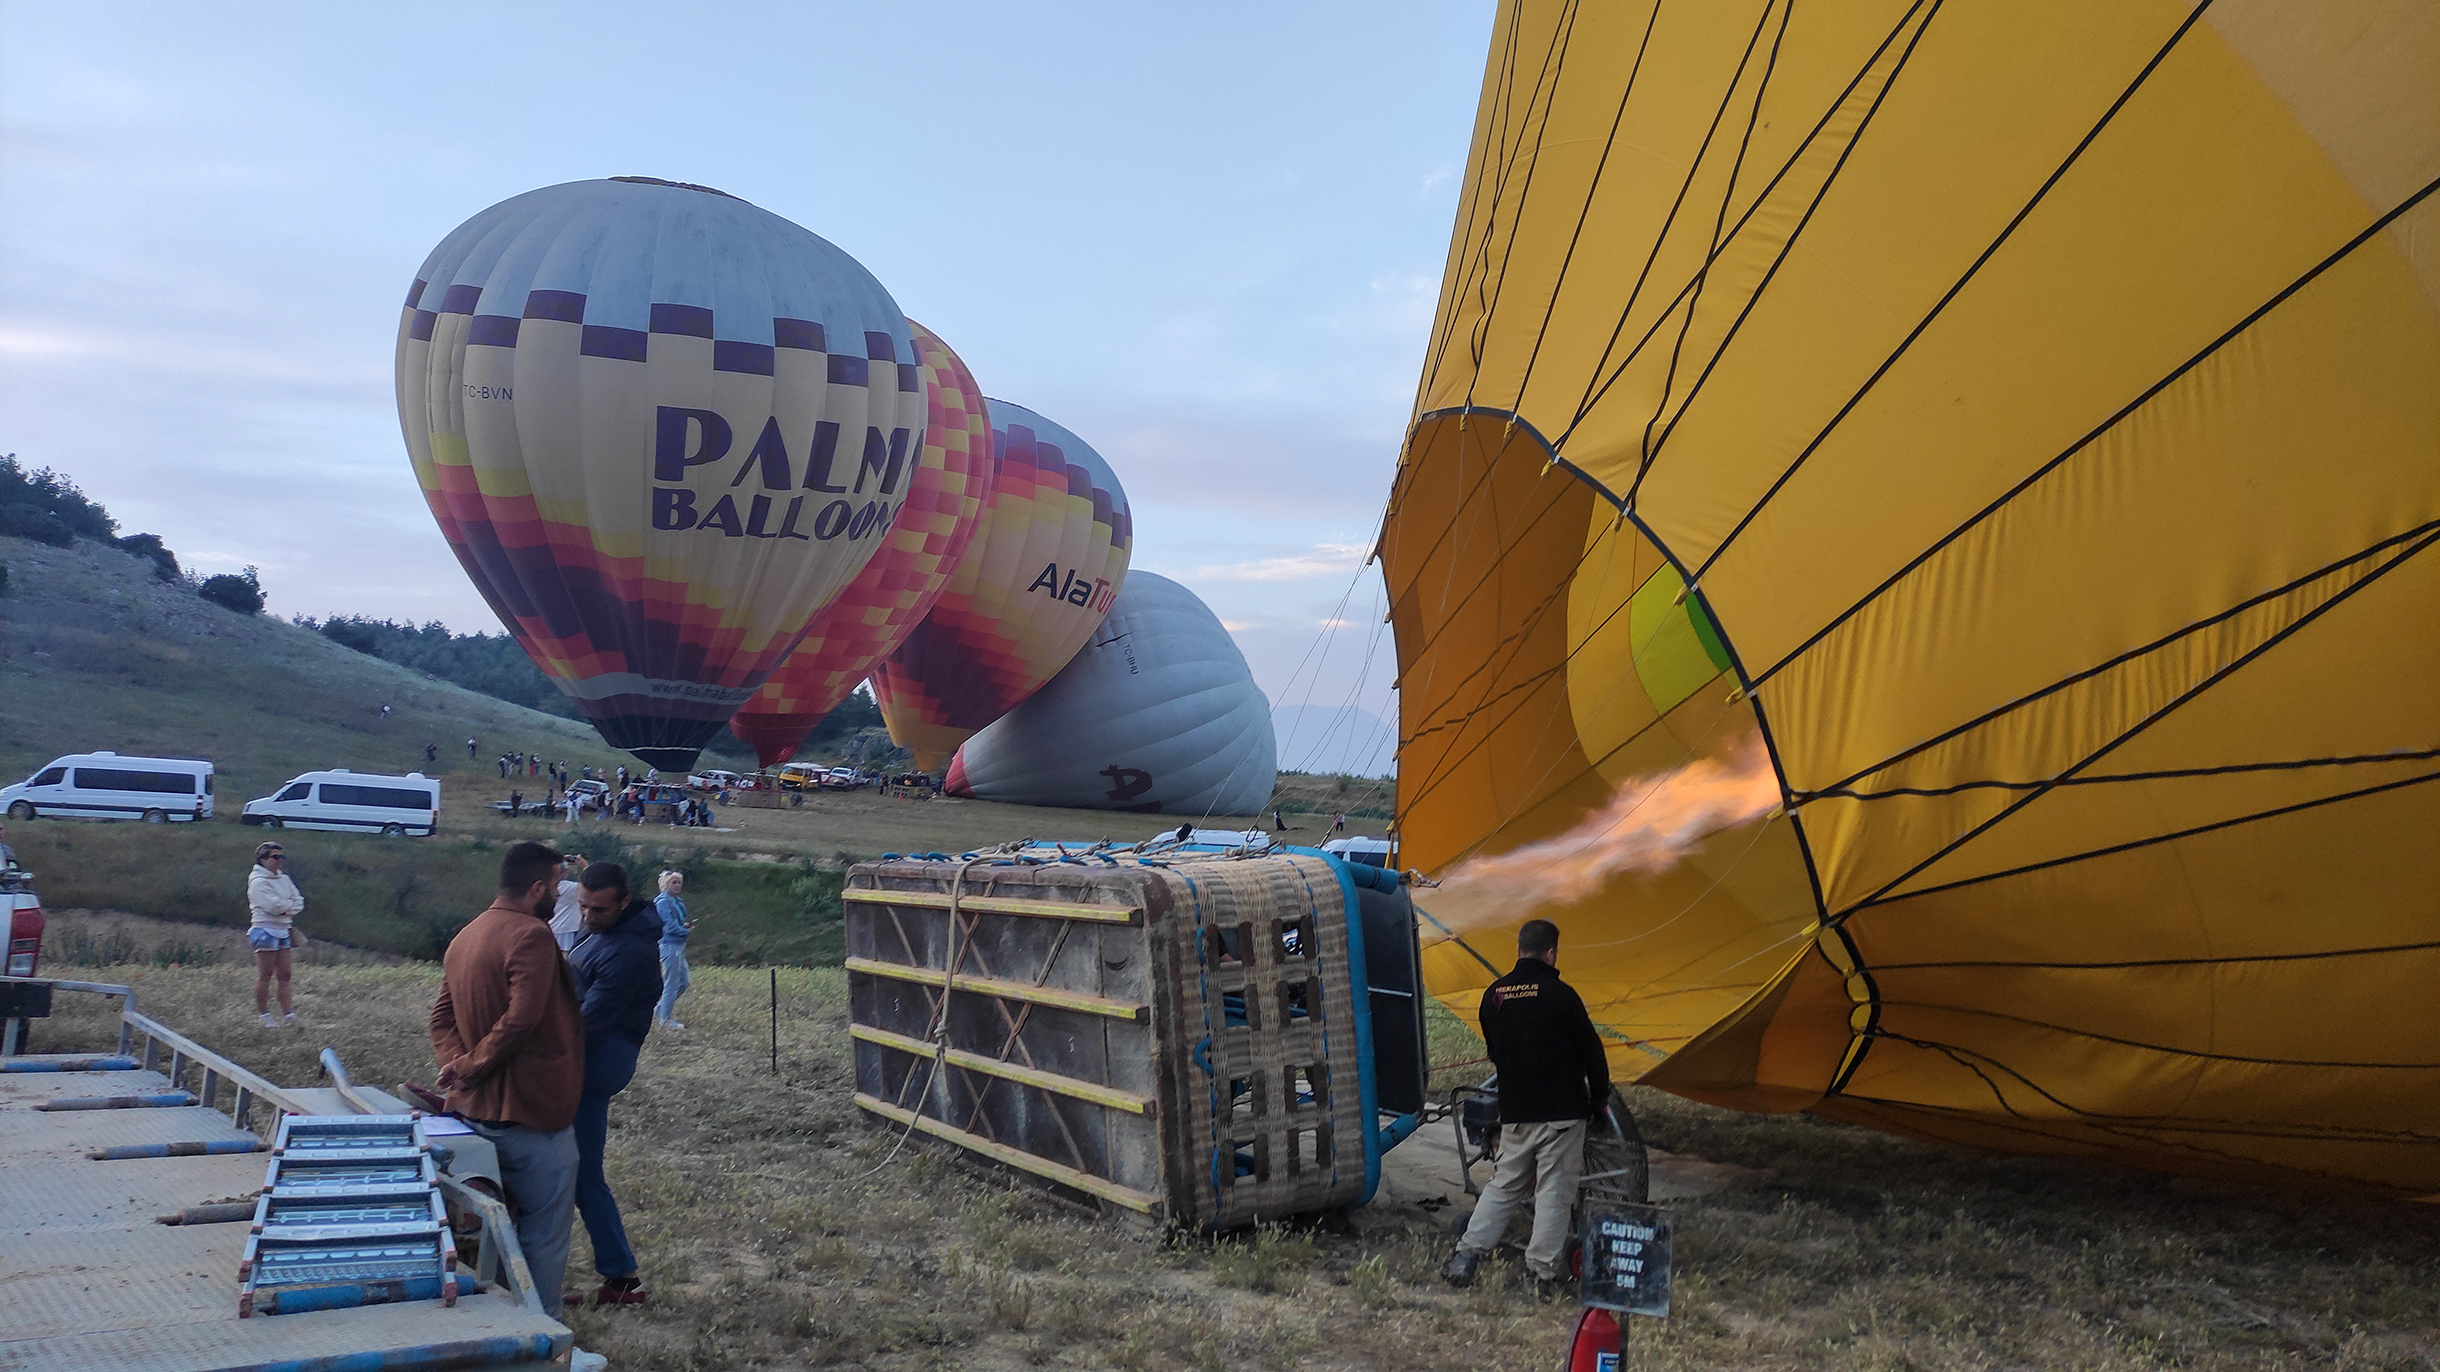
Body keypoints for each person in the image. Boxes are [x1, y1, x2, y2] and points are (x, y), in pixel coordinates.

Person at [427, 840, 586, 1323]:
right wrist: (470, 1065)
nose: (560, 894)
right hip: (530, 1113)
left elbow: (440, 1016)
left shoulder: (466, 935)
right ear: (537, 887)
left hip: (473, 1110)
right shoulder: (532, 936)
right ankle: (540, 1330)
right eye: (557, 885)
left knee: (501, 1235)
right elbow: (521, 1021)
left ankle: (500, 1320)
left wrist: (457, 1066)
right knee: (544, 1231)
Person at [1441, 919, 1611, 1296]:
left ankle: (1466, 1255)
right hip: (1562, 1113)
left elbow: (1495, 1051)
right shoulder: (1562, 995)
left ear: (1519, 950)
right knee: (1554, 1192)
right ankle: (1542, 1274)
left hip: (1516, 1110)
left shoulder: (1494, 995)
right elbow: (1592, 1053)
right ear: (1551, 953)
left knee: (1504, 1185)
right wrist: (1599, 1099)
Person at [565, 862, 662, 1308]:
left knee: (570, 1172)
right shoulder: (603, 933)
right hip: (586, 1059)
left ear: (624, 903)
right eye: (582, 906)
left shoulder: (631, 951)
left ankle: (618, 1278)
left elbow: (589, 1022)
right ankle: (621, 1279)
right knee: (582, 1174)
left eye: (598, 909)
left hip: (596, 1062)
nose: (587, 915)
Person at [247, 841, 306, 1027]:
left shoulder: (284, 879)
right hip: (264, 929)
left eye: (282, 857)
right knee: (266, 974)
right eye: (275, 857)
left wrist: (286, 908)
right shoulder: (257, 882)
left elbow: (298, 901)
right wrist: (286, 907)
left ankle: (289, 1014)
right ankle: (264, 1014)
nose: (280, 861)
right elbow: (272, 907)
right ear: (263, 859)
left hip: (283, 930)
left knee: (285, 974)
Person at [652, 871, 695, 1030]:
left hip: (678, 945)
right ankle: (666, 1019)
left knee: (683, 982)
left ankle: (658, 1010)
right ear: (665, 884)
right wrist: (685, 932)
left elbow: (675, 922)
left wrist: (684, 927)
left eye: (678, 882)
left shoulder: (676, 901)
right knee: (672, 983)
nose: (677, 885)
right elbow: (668, 926)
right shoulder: (663, 902)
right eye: (673, 882)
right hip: (669, 945)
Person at [548, 853, 589, 952]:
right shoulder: (570, 888)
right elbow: (589, 885)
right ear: (564, 872)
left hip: (551, 927)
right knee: (566, 956)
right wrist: (585, 867)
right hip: (566, 929)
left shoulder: (547, 885)